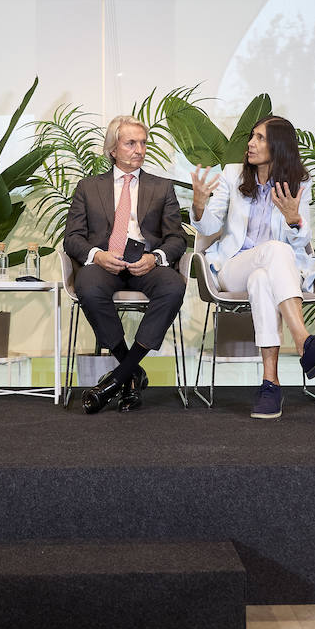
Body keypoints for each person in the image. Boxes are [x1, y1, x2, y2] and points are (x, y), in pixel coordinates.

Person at [191, 114, 315, 420]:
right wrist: (199, 204)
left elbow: (302, 240)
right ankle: (305, 342)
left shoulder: (300, 182)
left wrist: (292, 219)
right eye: (252, 136)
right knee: (273, 252)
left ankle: (270, 385)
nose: (251, 143)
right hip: (232, 268)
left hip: (277, 273)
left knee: (263, 278)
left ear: (279, 146)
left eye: (260, 138)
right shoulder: (233, 175)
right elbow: (209, 225)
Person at [64, 115, 188, 414]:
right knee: (88, 287)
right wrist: (97, 255)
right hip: (105, 264)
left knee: (173, 287)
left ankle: (118, 377)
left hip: (146, 265)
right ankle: (131, 373)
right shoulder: (88, 187)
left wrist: (155, 258)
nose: (139, 149)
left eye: (143, 143)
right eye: (131, 143)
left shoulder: (162, 188)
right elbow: (72, 238)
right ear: (113, 149)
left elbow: (176, 238)